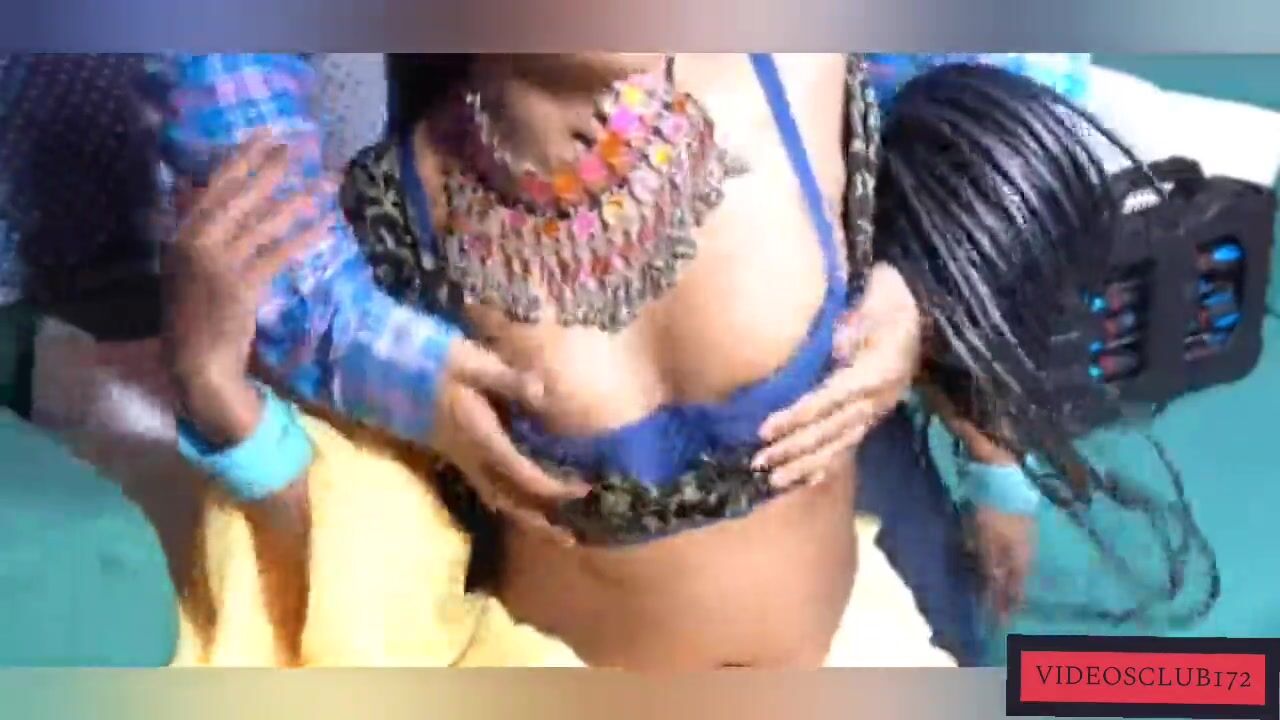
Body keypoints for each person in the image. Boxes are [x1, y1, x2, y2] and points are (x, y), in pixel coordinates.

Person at [149, 51, 1213, 669]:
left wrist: (986, 448)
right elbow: (370, 545)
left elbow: (978, 171)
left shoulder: (804, 69)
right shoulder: (383, 225)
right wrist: (217, 398)